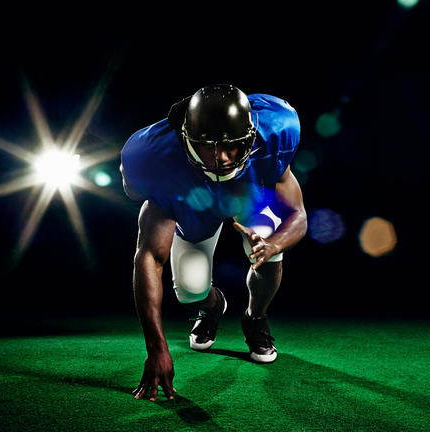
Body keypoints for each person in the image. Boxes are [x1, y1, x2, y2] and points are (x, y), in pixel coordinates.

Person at [120, 84, 307, 401]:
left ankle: (255, 317)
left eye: (231, 145)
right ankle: (211, 307)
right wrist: (156, 348)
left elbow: (298, 214)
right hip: (193, 208)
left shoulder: (276, 130)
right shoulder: (155, 158)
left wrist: (273, 245)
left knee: (268, 246)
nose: (220, 157)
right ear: (186, 138)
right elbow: (150, 257)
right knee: (189, 293)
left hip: (250, 201)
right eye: (207, 145)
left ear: (250, 136)